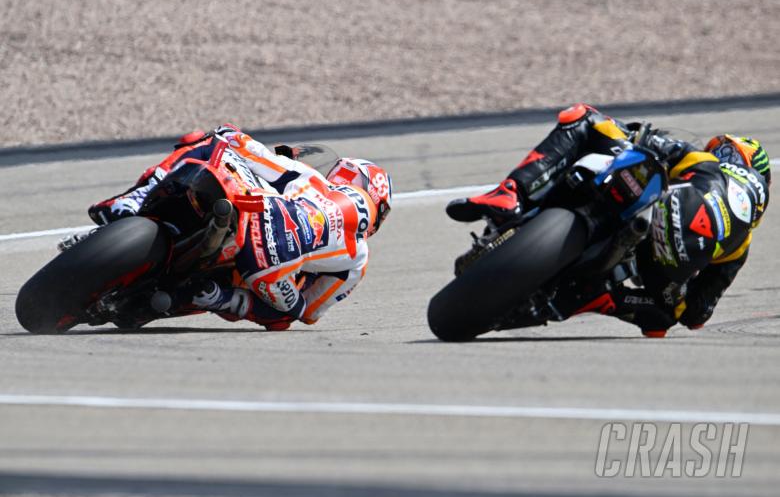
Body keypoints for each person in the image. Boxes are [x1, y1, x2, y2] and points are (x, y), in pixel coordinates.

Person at [446, 103, 771, 337]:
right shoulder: (740, 246)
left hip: (659, 210)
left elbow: (644, 140)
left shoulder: (705, 162)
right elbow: (697, 315)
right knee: (665, 316)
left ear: (732, 153)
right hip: (659, 270)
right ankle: (590, 298)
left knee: (584, 116)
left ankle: (511, 192)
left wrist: (633, 135)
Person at [80, 124, 392, 330]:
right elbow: (308, 311)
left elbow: (245, 149)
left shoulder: (310, 179)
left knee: (206, 140)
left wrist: (230, 136)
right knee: (287, 314)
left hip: (254, 214)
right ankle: (207, 297)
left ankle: (132, 202)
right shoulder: (357, 260)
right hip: (264, 273)